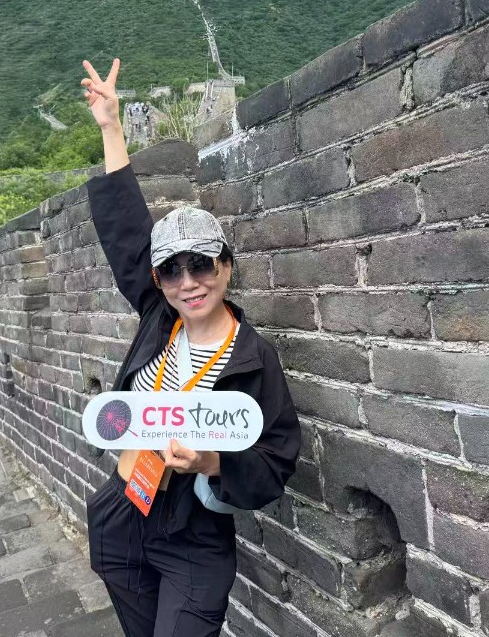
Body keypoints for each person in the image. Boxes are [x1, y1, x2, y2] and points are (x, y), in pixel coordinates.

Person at [80, 58, 300, 637]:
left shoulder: (253, 358)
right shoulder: (159, 318)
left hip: (193, 535)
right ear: (158, 281)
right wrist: (111, 128)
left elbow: (276, 462)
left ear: (226, 266)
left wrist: (212, 461)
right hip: (124, 511)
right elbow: (127, 234)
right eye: (172, 271)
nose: (189, 283)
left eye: (202, 264)